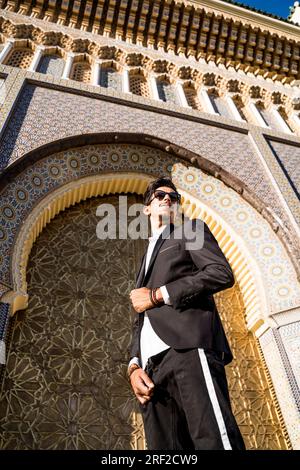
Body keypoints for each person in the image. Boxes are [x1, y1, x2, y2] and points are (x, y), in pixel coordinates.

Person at [128, 177, 245, 450]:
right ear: (147, 208)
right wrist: (133, 366)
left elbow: (220, 273)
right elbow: (140, 318)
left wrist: (158, 295)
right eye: (160, 195)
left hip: (188, 349)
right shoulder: (145, 258)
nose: (168, 198)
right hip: (150, 372)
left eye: (174, 196)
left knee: (213, 439)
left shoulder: (190, 230)